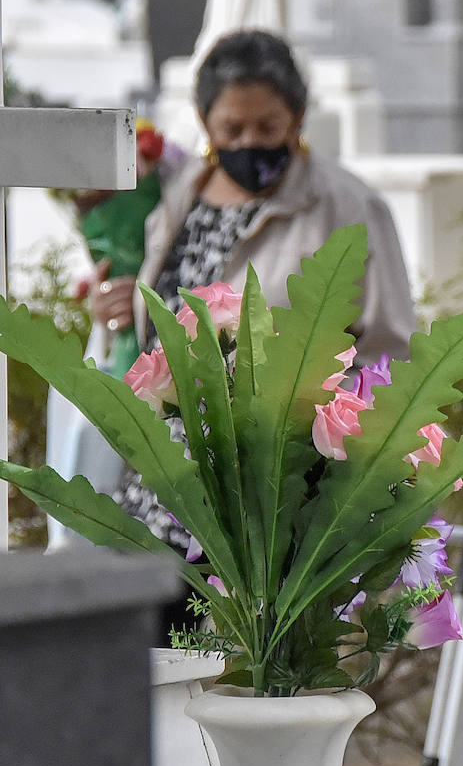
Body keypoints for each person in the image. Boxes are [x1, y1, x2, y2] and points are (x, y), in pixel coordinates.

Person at [85, 28, 415, 552]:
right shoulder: (181, 195)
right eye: (231, 129)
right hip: (160, 500)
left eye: (268, 126)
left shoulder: (347, 208)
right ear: (203, 123)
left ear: (299, 118)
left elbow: (389, 357)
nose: (248, 144)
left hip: (271, 506)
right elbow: (164, 321)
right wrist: (125, 305)